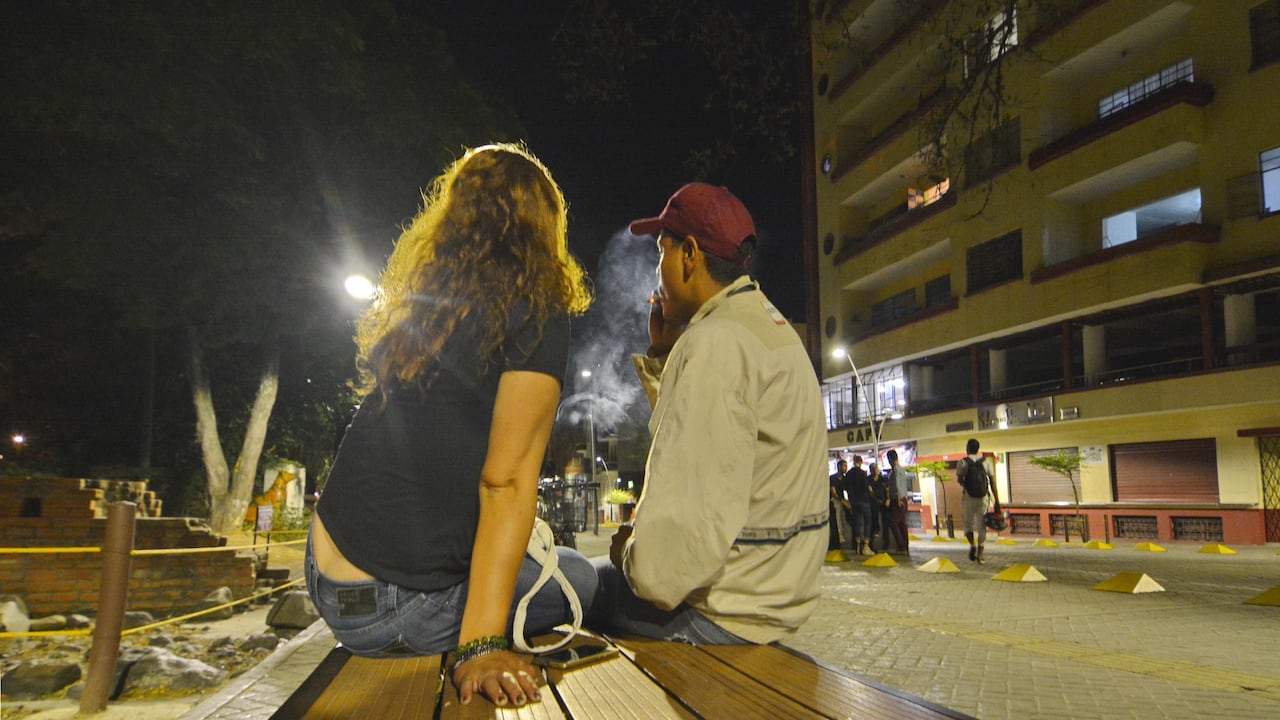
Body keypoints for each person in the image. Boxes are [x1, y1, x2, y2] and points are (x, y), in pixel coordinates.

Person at [305, 144, 596, 708]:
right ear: (546, 228)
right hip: (394, 610)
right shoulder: (536, 309)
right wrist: (480, 647)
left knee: (545, 564)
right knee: (582, 577)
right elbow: (505, 483)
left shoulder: (425, 308)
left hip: (326, 574)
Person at [589, 182, 829, 645]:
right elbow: (708, 442)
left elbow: (663, 575)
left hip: (724, 614)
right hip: (773, 599)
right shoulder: (768, 327)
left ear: (689, 254)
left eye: (661, 251)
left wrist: (627, 554)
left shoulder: (713, 343)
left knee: (567, 579)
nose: (657, 271)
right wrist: (665, 356)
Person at [957, 438, 997, 563]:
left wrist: (966, 484)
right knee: (982, 525)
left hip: (969, 497)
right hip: (983, 498)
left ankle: (972, 544)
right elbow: (993, 483)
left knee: (968, 524)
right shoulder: (986, 462)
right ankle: (980, 554)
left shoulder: (962, 462)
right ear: (978, 449)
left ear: (967, 448)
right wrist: (997, 502)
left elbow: (959, 479)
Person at [842, 455, 875, 556]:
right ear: (861, 462)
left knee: (857, 523)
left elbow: (845, 487)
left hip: (853, 502)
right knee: (867, 522)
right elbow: (867, 487)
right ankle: (865, 546)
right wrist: (874, 496)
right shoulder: (863, 473)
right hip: (863, 501)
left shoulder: (848, 474)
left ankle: (857, 545)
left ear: (853, 462)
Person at [885, 449, 916, 554]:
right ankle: (905, 547)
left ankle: (901, 546)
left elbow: (897, 485)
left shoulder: (895, 470)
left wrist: (897, 498)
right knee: (902, 523)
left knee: (893, 522)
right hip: (904, 499)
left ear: (890, 459)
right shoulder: (902, 470)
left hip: (897, 500)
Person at [829, 458, 851, 552]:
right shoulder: (832, 478)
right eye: (844, 466)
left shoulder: (845, 479)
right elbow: (833, 493)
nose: (846, 468)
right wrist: (843, 501)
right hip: (835, 501)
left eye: (846, 466)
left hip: (843, 501)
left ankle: (843, 535)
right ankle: (840, 535)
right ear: (839, 467)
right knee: (838, 514)